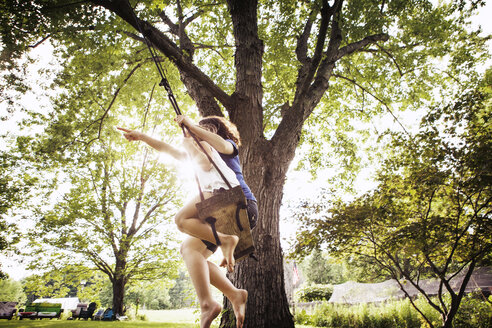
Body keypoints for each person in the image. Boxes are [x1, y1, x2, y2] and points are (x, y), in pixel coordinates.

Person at [117, 123, 248, 328]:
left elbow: (204, 163)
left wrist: (189, 140)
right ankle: (230, 295)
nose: (188, 133)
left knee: (181, 220)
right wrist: (142, 136)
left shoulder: (215, 146)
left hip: (228, 200)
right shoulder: (198, 150)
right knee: (190, 251)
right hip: (221, 209)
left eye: (193, 130)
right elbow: (167, 149)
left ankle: (225, 241)